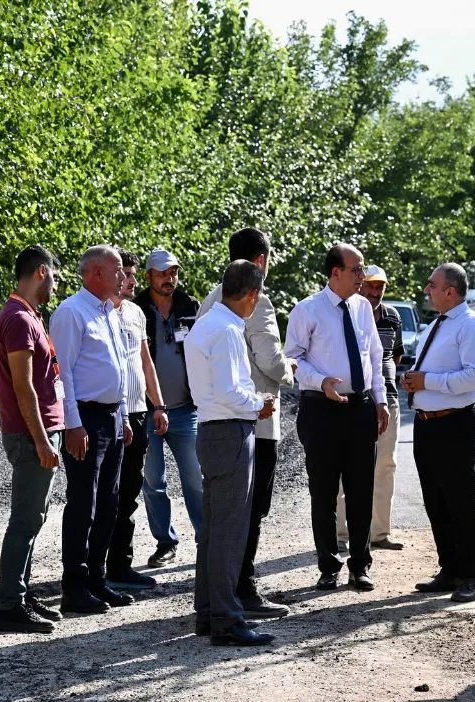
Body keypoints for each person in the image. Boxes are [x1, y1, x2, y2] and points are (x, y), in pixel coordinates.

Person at [197, 228, 294, 620]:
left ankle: (216, 598)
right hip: (252, 418)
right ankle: (241, 589)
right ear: (259, 262)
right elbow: (270, 360)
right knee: (249, 511)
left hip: (214, 418)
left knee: (221, 514)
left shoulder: (209, 300)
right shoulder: (257, 303)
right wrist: (290, 369)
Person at [284, 243, 389, 592]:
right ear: (336, 273)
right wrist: (321, 382)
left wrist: (380, 400)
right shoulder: (307, 309)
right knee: (324, 492)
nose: (363, 276)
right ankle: (328, 565)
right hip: (321, 410)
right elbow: (293, 360)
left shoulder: (362, 308)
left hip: (360, 409)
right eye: (357, 270)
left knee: (361, 490)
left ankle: (361, 565)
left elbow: (374, 356)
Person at [186, 260, 277, 646]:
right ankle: (226, 618)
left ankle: (208, 611)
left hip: (212, 429)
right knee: (229, 530)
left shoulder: (206, 323)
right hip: (228, 430)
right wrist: (259, 403)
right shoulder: (224, 330)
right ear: (252, 295)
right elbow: (229, 391)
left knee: (214, 529)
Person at [49, 245, 134, 615]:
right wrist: (72, 424)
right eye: (117, 270)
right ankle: (75, 586)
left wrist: (126, 415)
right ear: (95, 272)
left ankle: (98, 579)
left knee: (110, 501)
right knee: (84, 501)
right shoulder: (71, 312)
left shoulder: (110, 313)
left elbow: (118, 368)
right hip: (85, 418)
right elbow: (61, 374)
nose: (123, 276)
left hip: (113, 416)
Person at [402, 263, 475, 603]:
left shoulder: (472, 326)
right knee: (435, 500)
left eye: (432, 285)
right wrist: (413, 380)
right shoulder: (434, 326)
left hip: (455, 424)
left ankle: (471, 575)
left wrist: (428, 381)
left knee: (460, 500)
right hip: (427, 424)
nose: (427, 290)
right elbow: (430, 370)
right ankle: (450, 568)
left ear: (450, 291)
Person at [0, 246, 66, 633]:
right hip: (28, 434)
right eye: (54, 275)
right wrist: (41, 441)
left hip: (37, 431)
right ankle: (9, 606)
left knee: (34, 518)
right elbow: (24, 389)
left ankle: (21, 592)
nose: (55, 283)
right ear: (41, 272)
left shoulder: (30, 315)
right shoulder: (19, 319)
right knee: (24, 519)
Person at [132, 250, 202, 568]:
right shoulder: (134, 311)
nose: (169, 279)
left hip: (186, 410)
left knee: (197, 478)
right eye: (162, 273)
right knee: (153, 482)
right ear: (148, 276)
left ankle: (208, 538)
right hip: (147, 413)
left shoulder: (190, 306)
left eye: (173, 273)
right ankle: (165, 543)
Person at [105, 249, 170, 590]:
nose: (130, 281)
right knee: (103, 494)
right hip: (105, 414)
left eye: (131, 274)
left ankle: (120, 565)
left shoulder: (135, 313)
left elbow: (146, 362)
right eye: (125, 274)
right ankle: (89, 568)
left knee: (129, 492)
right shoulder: (97, 312)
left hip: (138, 412)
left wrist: (158, 405)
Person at [337, 264, 405, 551]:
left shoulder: (392, 317)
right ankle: (340, 535)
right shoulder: (348, 311)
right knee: (344, 469)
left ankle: (379, 534)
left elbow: (395, 356)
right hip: (354, 402)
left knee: (385, 466)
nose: (375, 292)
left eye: (381, 287)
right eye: (371, 286)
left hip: (388, 401)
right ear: (361, 284)